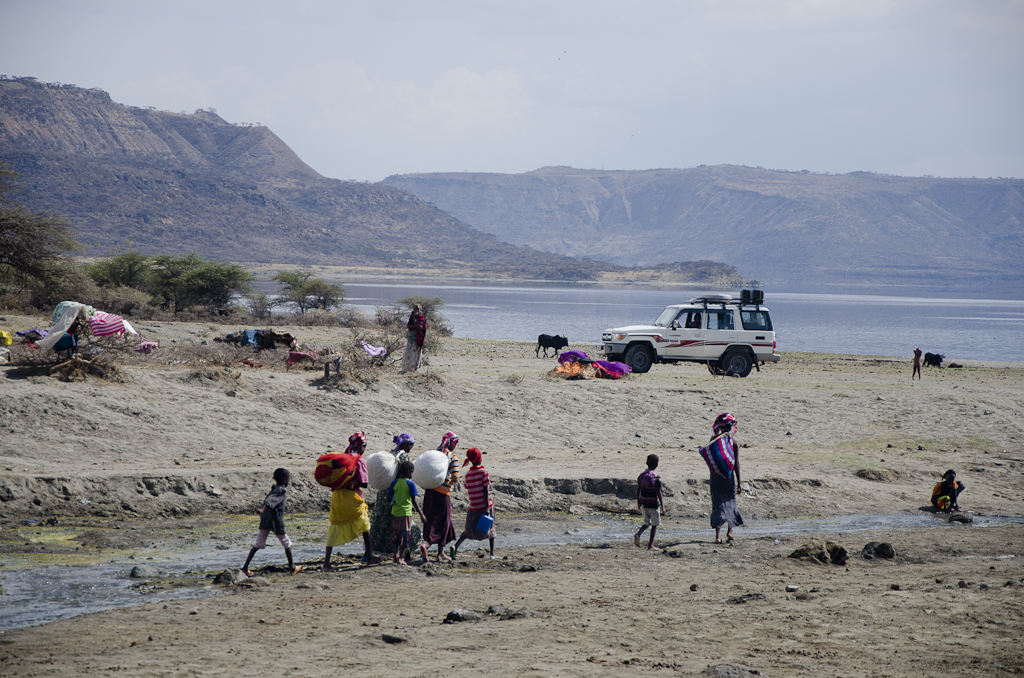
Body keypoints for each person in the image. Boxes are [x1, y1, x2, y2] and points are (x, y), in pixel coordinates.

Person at [322, 432, 383, 571]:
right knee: (365, 525)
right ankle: (369, 557)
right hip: (352, 497)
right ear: (362, 446)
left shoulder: (342, 458)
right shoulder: (359, 460)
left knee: (334, 526)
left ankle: (326, 563)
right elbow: (364, 483)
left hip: (337, 496)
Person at [243, 468, 305, 576]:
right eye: (289, 478)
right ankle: (292, 567)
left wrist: (263, 510)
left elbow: (269, 499)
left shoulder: (275, 488)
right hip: (275, 521)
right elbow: (270, 500)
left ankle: (245, 568)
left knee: (258, 543)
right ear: (285, 480)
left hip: (266, 520)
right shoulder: (281, 490)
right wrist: (262, 508)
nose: (289, 480)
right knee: (286, 542)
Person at [370, 433, 417, 552]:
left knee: (382, 522)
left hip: (384, 493)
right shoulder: (404, 457)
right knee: (400, 525)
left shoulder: (390, 454)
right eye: (411, 444)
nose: (411, 447)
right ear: (405, 444)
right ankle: (400, 551)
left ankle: (376, 548)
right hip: (397, 495)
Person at [422, 431, 460, 562]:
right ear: (452, 443)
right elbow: (455, 476)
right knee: (442, 522)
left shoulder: (435, 453)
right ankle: (427, 547)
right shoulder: (451, 457)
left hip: (429, 493)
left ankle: (441, 553)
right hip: (443, 494)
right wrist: (452, 482)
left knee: (432, 520)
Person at [452, 447, 495, 559]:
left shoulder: (468, 474)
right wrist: (486, 507)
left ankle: (455, 547)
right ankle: (492, 554)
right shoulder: (484, 472)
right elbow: (485, 490)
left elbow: (468, 487)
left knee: (468, 531)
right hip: (484, 506)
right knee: (491, 530)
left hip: (473, 507)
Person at [709, 413, 743, 544]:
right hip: (728, 477)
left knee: (718, 503)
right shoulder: (733, 442)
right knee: (730, 502)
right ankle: (730, 531)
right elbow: (736, 463)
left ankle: (718, 536)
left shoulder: (714, 440)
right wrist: (739, 482)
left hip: (716, 477)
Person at [389, 460, 428, 564]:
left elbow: (388, 497)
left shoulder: (394, 483)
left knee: (397, 534)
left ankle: (395, 554)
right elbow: (414, 501)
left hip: (395, 512)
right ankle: (400, 558)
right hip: (405, 513)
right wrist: (422, 515)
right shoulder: (410, 484)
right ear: (409, 471)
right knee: (405, 535)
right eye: (412, 472)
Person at [634, 454, 666, 550]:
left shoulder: (641, 476)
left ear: (646, 463)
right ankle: (650, 545)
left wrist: (638, 502)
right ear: (657, 465)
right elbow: (659, 493)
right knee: (655, 524)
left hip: (644, 503)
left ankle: (638, 534)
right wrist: (662, 507)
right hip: (653, 504)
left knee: (647, 522)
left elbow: (638, 490)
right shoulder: (656, 479)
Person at [402, 305, 427, 372]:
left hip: (417, 339)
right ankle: (406, 369)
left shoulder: (421, 318)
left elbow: (420, 327)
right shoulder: (411, 317)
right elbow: (409, 326)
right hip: (411, 338)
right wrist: (413, 320)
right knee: (407, 353)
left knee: (415, 354)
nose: (416, 311)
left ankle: (414, 369)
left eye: (417, 310)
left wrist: (415, 323)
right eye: (415, 310)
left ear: (420, 310)